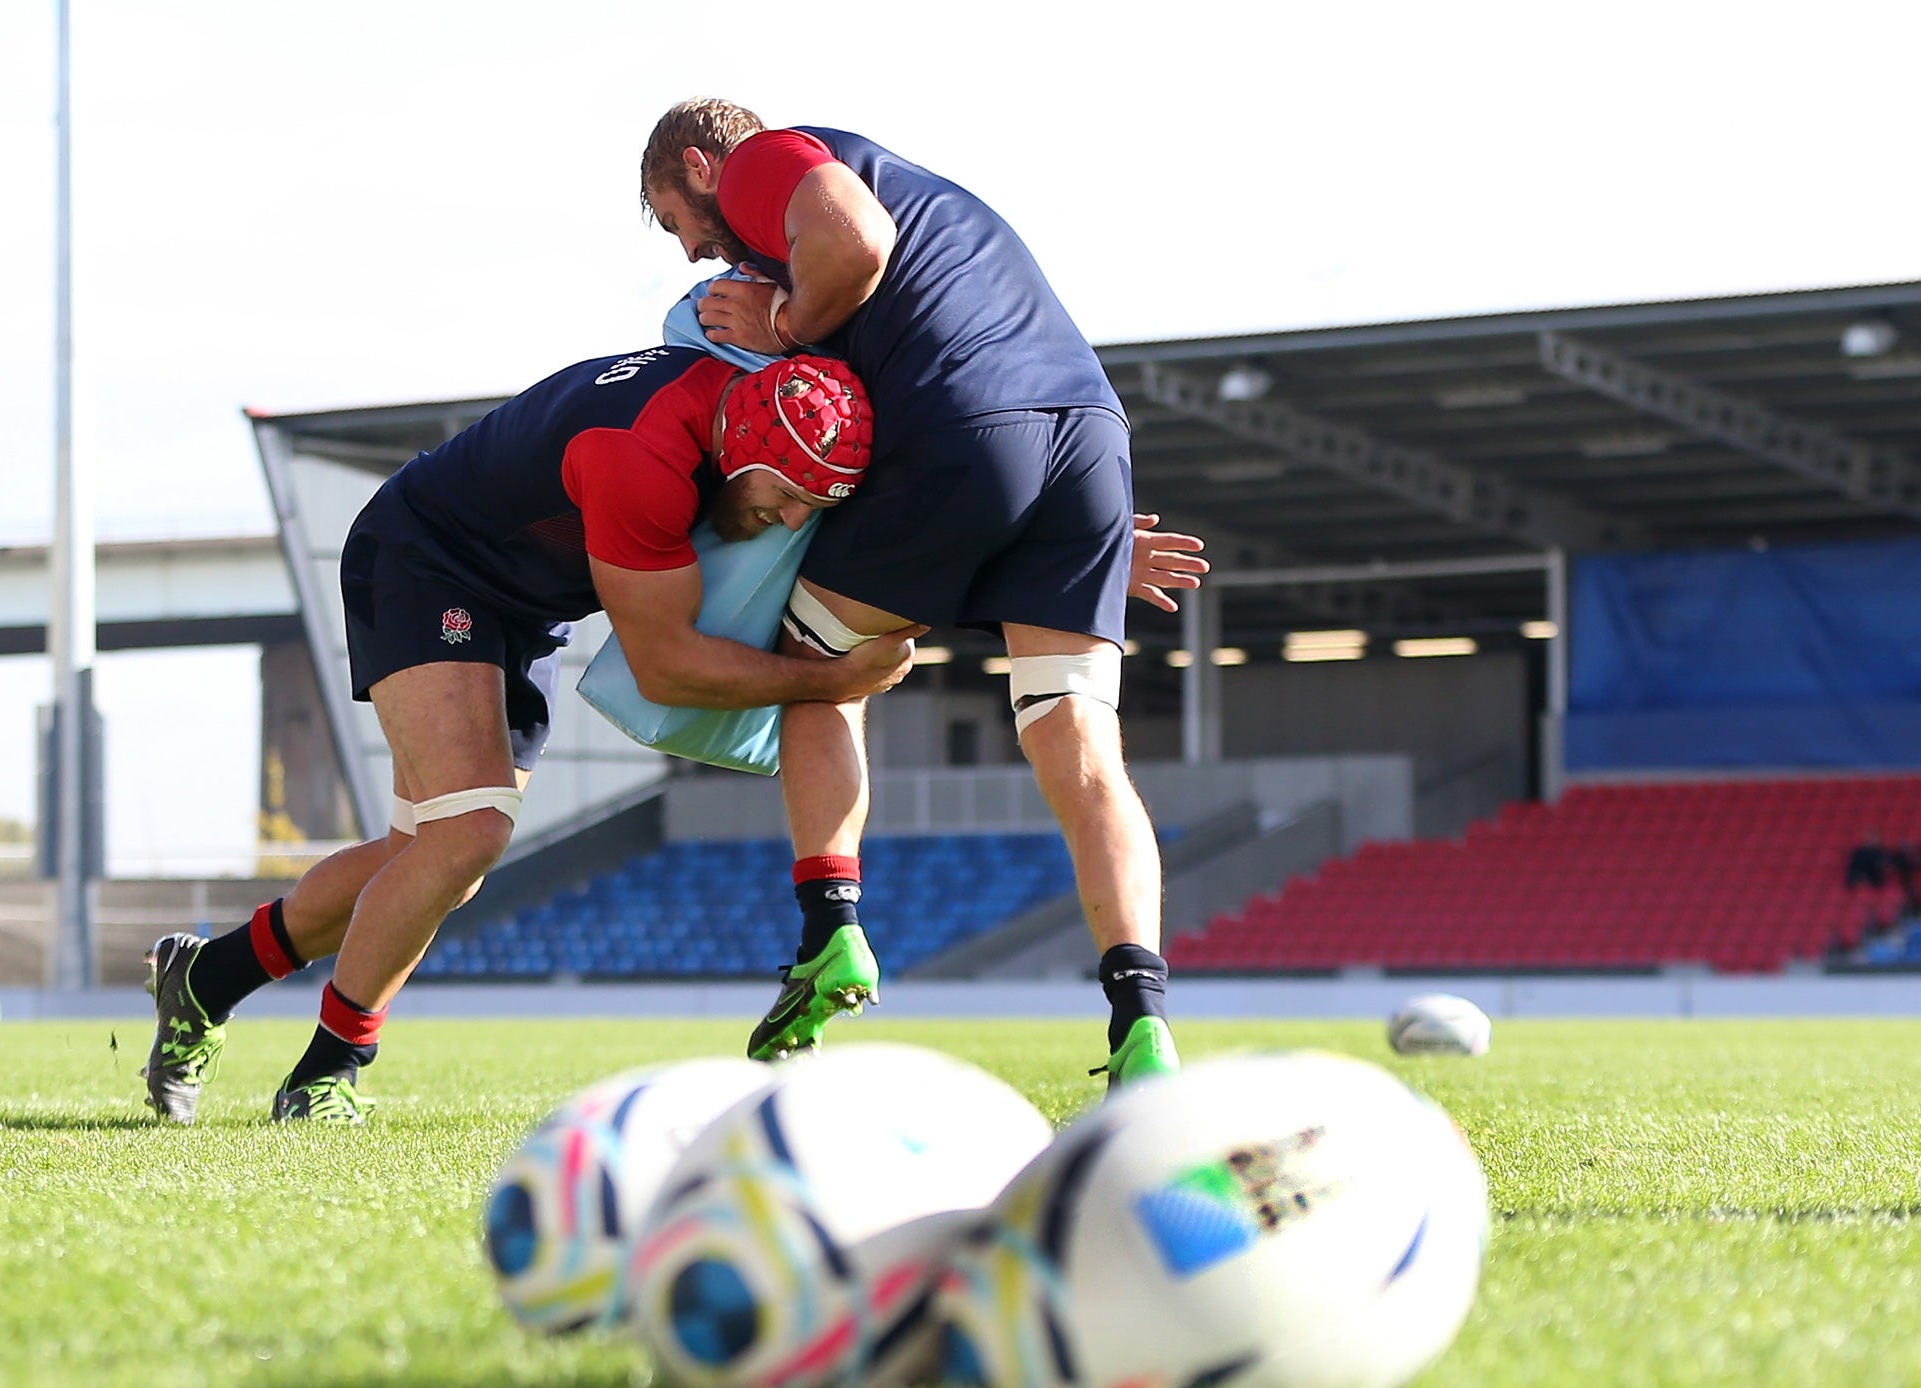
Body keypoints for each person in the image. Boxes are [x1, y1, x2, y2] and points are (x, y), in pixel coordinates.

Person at [141, 346, 914, 1124]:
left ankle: (206, 979)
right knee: (469, 834)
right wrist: (832, 682)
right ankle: (325, 1074)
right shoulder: (640, 456)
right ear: (743, 452)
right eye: (785, 498)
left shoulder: (737, 405)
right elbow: (666, 671)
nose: (788, 521)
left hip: (514, 601)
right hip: (425, 564)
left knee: (433, 856)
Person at [640, 100, 1209, 1089]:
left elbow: (853, 243)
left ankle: (831, 932)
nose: (693, 249)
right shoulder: (930, 197)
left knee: (815, 672)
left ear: (696, 164)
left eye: (672, 218)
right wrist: (1092, 537)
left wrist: (779, 326)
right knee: (1076, 743)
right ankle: (1141, 1020)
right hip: (1086, 444)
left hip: (965, 431)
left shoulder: (766, 160)